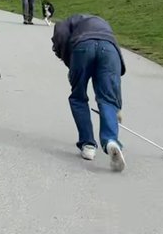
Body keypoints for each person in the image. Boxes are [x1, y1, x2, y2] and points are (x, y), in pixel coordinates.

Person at [51, 13, 126, 171]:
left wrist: (69, 62)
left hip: (83, 47)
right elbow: (115, 80)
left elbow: (61, 35)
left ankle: (88, 145)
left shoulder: (65, 23)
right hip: (110, 49)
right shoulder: (103, 23)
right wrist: (117, 106)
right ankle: (111, 140)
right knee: (107, 100)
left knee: (78, 97)